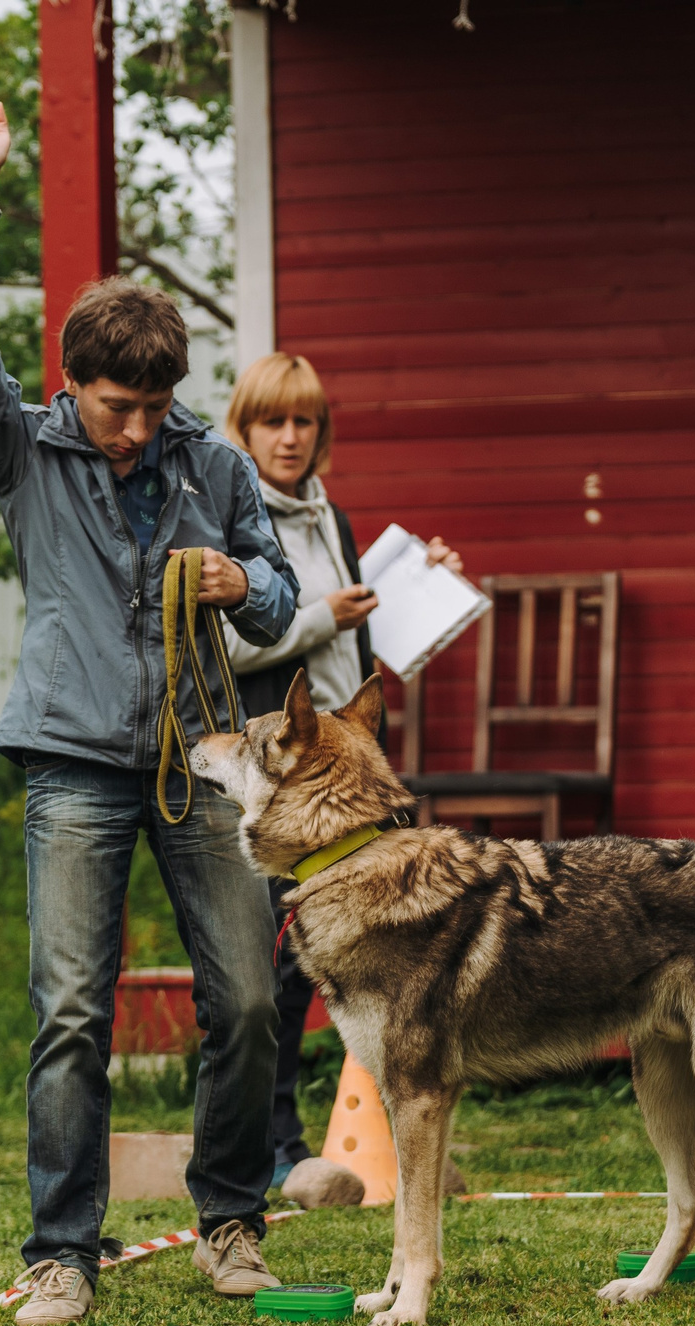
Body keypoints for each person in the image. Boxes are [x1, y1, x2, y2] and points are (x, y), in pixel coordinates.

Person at [0, 71, 300, 1326]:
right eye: (114, 407)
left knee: (244, 996)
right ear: (72, 383)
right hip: (72, 760)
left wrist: (244, 576)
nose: (135, 430)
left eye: (152, 407)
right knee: (73, 1009)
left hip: (205, 764)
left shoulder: (216, 464)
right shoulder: (24, 447)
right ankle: (60, 1253)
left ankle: (231, 1221)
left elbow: (281, 600)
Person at [217, 352, 465, 1184]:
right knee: (274, 965)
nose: (290, 438)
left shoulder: (333, 516)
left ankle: (348, 1136)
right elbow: (232, 640)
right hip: (280, 778)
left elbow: (354, 646)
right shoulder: (232, 516)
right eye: (272, 422)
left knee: (342, 960)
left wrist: (422, 588)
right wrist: (325, 614)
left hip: (344, 771)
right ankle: (271, 1147)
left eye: (305, 422)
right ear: (244, 428)